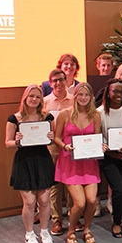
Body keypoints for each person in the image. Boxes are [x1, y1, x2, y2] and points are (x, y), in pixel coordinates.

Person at [5, 85, 56, 243]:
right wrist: (17, 141)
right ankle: (29, 233)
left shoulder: (47, 117)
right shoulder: (15, 118)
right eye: (31, 96)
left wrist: (51, 137)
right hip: (24, 161)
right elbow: (8, 143)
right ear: (25, 98)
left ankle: (44, 231)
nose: (34, 100)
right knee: (29, 202)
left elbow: (52, 140)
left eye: (38, 97)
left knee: (44, 200)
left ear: (41, 100)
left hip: (43, 159)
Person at [54, 83, 102, 243]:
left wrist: (101, 146)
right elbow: (57, 138)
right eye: (80, 94)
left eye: (86, 95)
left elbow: (97, 137)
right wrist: (65, 147)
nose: (83, 98)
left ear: (91, 97)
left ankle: (87, 229)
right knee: (79, 203)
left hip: (89, 163)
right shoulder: (64, 114)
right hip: (70, 162)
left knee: (91, 201)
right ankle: (71, 231)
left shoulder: (95, 115)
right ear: (75, 96)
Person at [98, 78, 122, 238]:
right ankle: (116, 222)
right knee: (119, 190)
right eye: (115, 91)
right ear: (108, 93)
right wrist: (110, 152)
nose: (119, 94)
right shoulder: (100, 112)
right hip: (109, 158)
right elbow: (98, 136)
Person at [43, 69, 75, 234]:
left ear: (65, 81)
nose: (58, 83)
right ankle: (57, 220)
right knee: (55, 185)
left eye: (61, 80)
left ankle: (73, 217)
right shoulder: (45, 102)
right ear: (50, 83)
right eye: (54, 80)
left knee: (70, 182)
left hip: (71, 147)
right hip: (52, 148)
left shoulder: (74, 100)